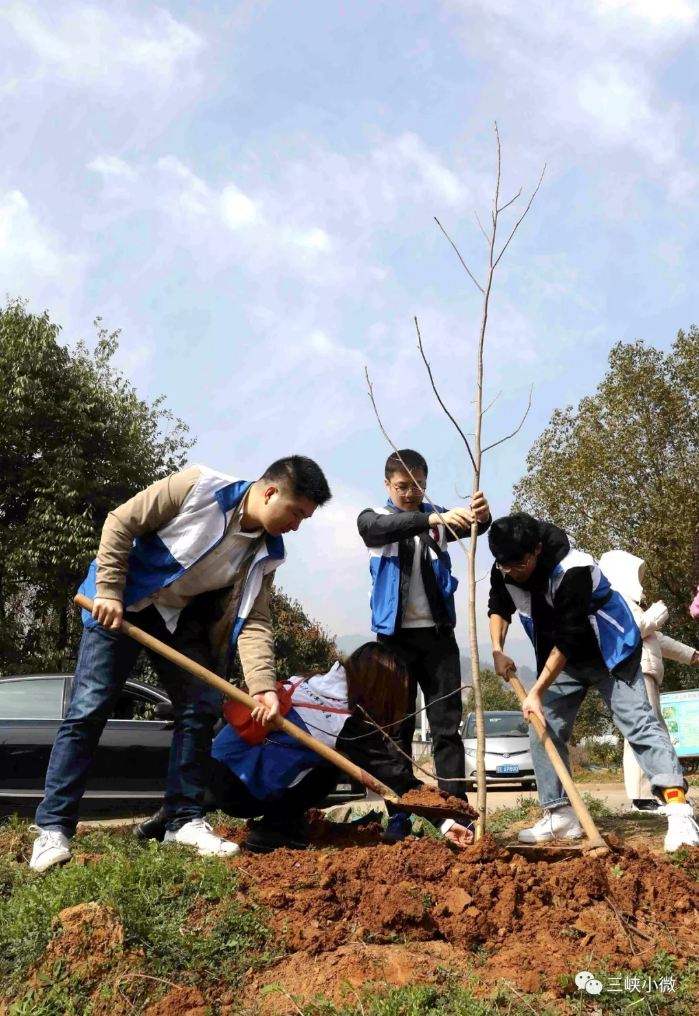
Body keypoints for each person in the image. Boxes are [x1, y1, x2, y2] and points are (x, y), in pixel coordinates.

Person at [30, 457, 332, 872]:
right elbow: (121, 521)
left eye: (305, 519)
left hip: (177, 620)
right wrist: (110, 590)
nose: (297, 525)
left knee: (200, 708)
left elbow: (255, 619)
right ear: (269, 492)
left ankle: (183, 820)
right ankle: (53, 830)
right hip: (121, 602)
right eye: (296, 512)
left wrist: (262, 686)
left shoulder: (267, 552)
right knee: (90, 708)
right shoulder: (198, 487)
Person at [487, 513, 699, 853]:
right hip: (563, 661)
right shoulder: (506, 565)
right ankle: (560, 815)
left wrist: (537, 691)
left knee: (639, 722)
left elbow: (569, 638)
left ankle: (678, 810)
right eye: (506, 567)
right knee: (543, 726)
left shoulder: (574, 569)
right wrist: (497, 649)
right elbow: (498, 606)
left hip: (609, 651)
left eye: (520, 564)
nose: (513, 572)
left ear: (537, 550)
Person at [134, 642, 475, 852]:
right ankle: (272, 831)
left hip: (210, 775)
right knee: (329, 768)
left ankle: (170, 816)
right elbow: (393, 781)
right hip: (239, 793)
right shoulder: (342, 721)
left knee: (270, 754)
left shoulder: (305, 683)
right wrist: (447, 822)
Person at [357, 449, 490, 842]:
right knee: (396, 730)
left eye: (418, 487)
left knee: (446, 728)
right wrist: (432, 516)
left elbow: (475, 527)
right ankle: (400, 812)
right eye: (402, 487)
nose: (411, 494)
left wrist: (481, 516)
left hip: (438, 639)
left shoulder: (440, 519)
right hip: (393, 640)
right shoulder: (374, 517)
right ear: (387, 485)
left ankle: (456, 812)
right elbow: (377, 529)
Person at [599, 551, 699, 812]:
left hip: (647, 672)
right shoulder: (614, 600)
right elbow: (633, 630)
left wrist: (691, 654)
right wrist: (658, 612)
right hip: (637, 671)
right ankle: (642, 797)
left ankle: (665, 791)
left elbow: (656, 639)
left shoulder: (630, 602)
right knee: (643, 732)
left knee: (655, 733)